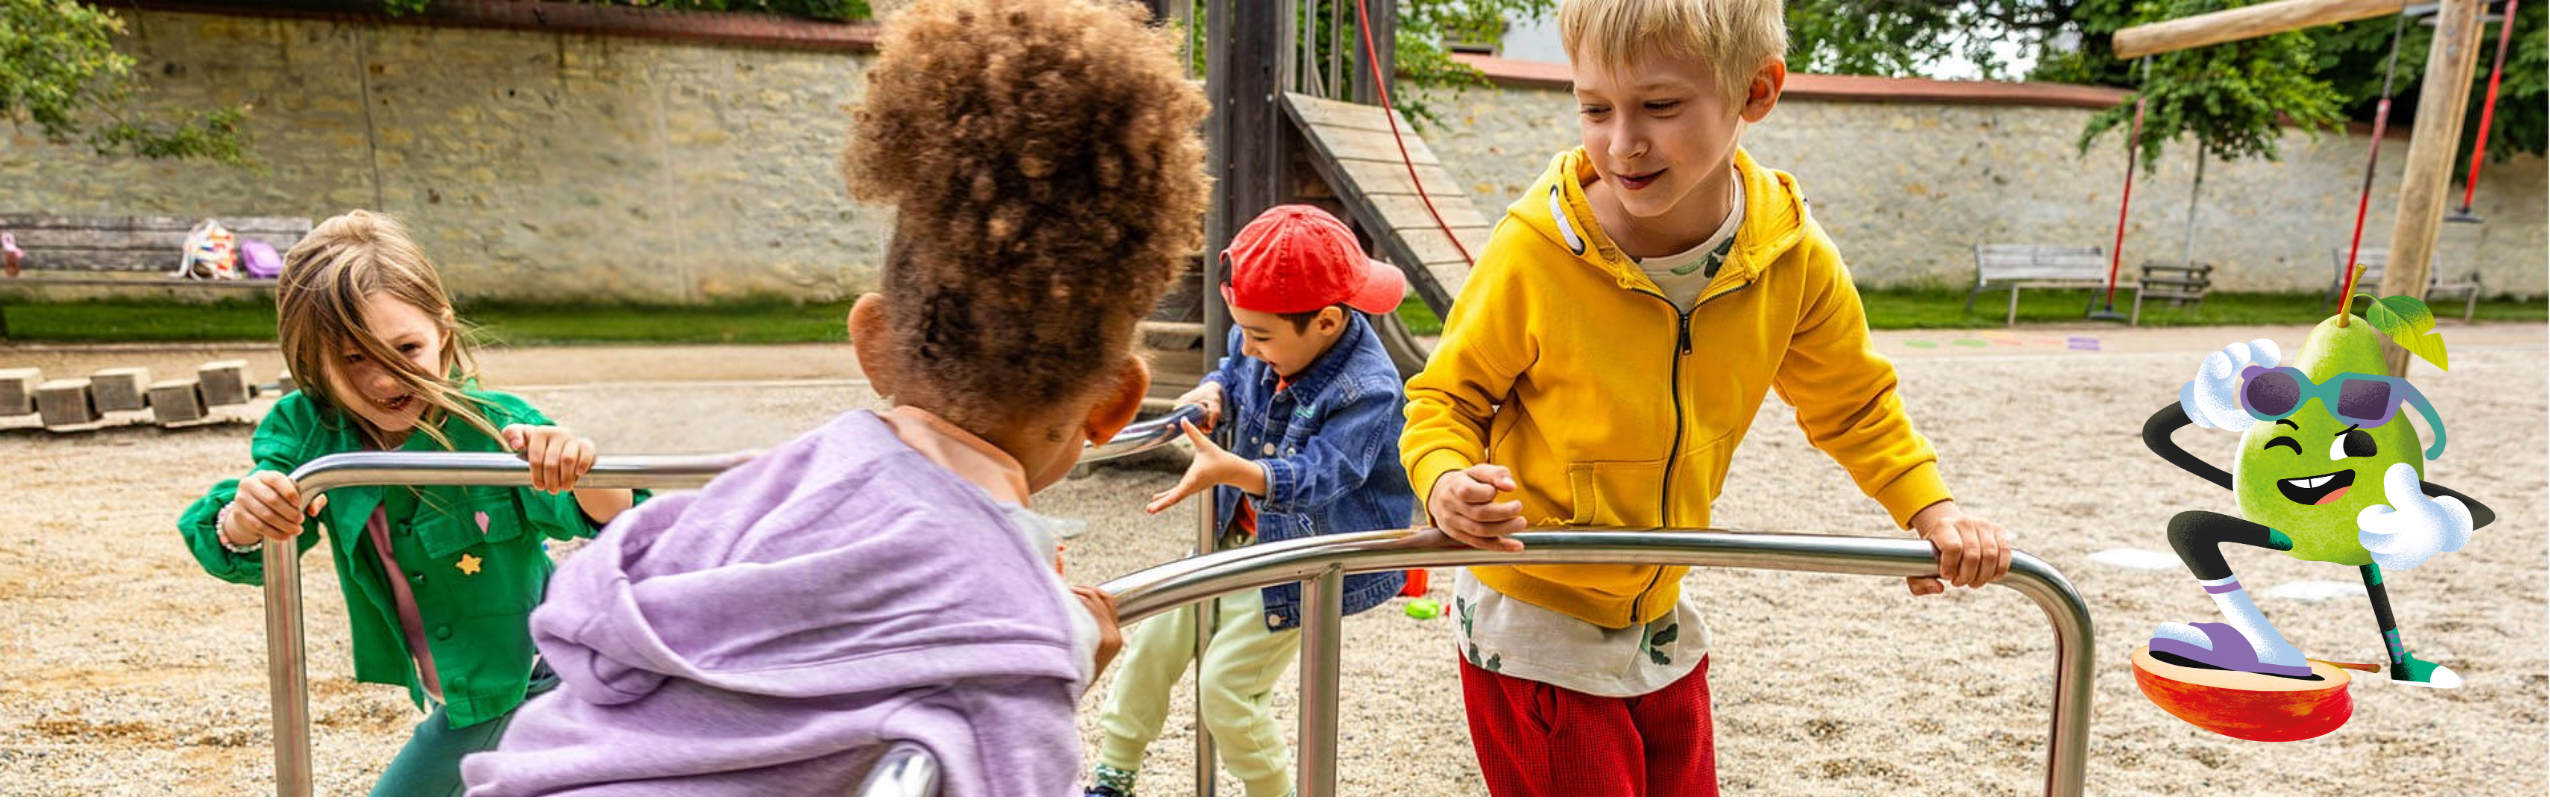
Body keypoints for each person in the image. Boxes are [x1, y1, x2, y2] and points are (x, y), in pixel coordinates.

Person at [460, 0, 1212, 794]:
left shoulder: (763, 486)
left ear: (873, 340)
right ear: (1116, 403)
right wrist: (1053, 655)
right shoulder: (1009, 637)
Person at [1399, 0, 2014, 794]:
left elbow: (1853, 403)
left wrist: (1931, 510)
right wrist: (1447, 481)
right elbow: (1446, 398)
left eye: (1659, 105)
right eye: (1594, 108)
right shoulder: (1534, 251)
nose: (1622, 142)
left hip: (1660, 604)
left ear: (1756, 92)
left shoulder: (1788, 256)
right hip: (1536, 607)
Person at [177, 209, 639, 797]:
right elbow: (236, 540)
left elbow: (620, 514)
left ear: (443, 333)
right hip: (458, 673)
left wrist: (572, 462)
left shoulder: (497, 429)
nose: (382, 379)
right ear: (310, 358)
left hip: (530, 668)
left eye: (405, 348)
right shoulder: (308, 431)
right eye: (351, 358)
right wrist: (244, 518)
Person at [1087, 205, 1414, 797]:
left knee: (1227, 690)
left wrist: (1235, 469)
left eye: (1262, 336)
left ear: (1327, 323)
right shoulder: (1263, 333)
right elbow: (1235, 365)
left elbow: (1327, 473)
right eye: (1245, 329)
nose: (1250, 345)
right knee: (1156, 642)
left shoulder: (1369, 388)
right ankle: (1114, 770)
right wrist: (1215, 388)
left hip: (1298, 560)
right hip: (1233, 537)